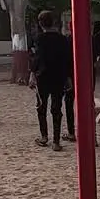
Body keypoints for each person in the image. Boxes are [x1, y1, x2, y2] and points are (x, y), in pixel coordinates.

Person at [30, 10, 72, 151]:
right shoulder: (62, 39)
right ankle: (56, 141)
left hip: (43, 76)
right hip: (59, 77)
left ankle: (44, 136)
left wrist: (32, 73)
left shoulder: (39, 39)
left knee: (41, 107)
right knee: (56, 108)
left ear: (41, 23)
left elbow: (37, 58)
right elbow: (67, 60)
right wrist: (67, 77)